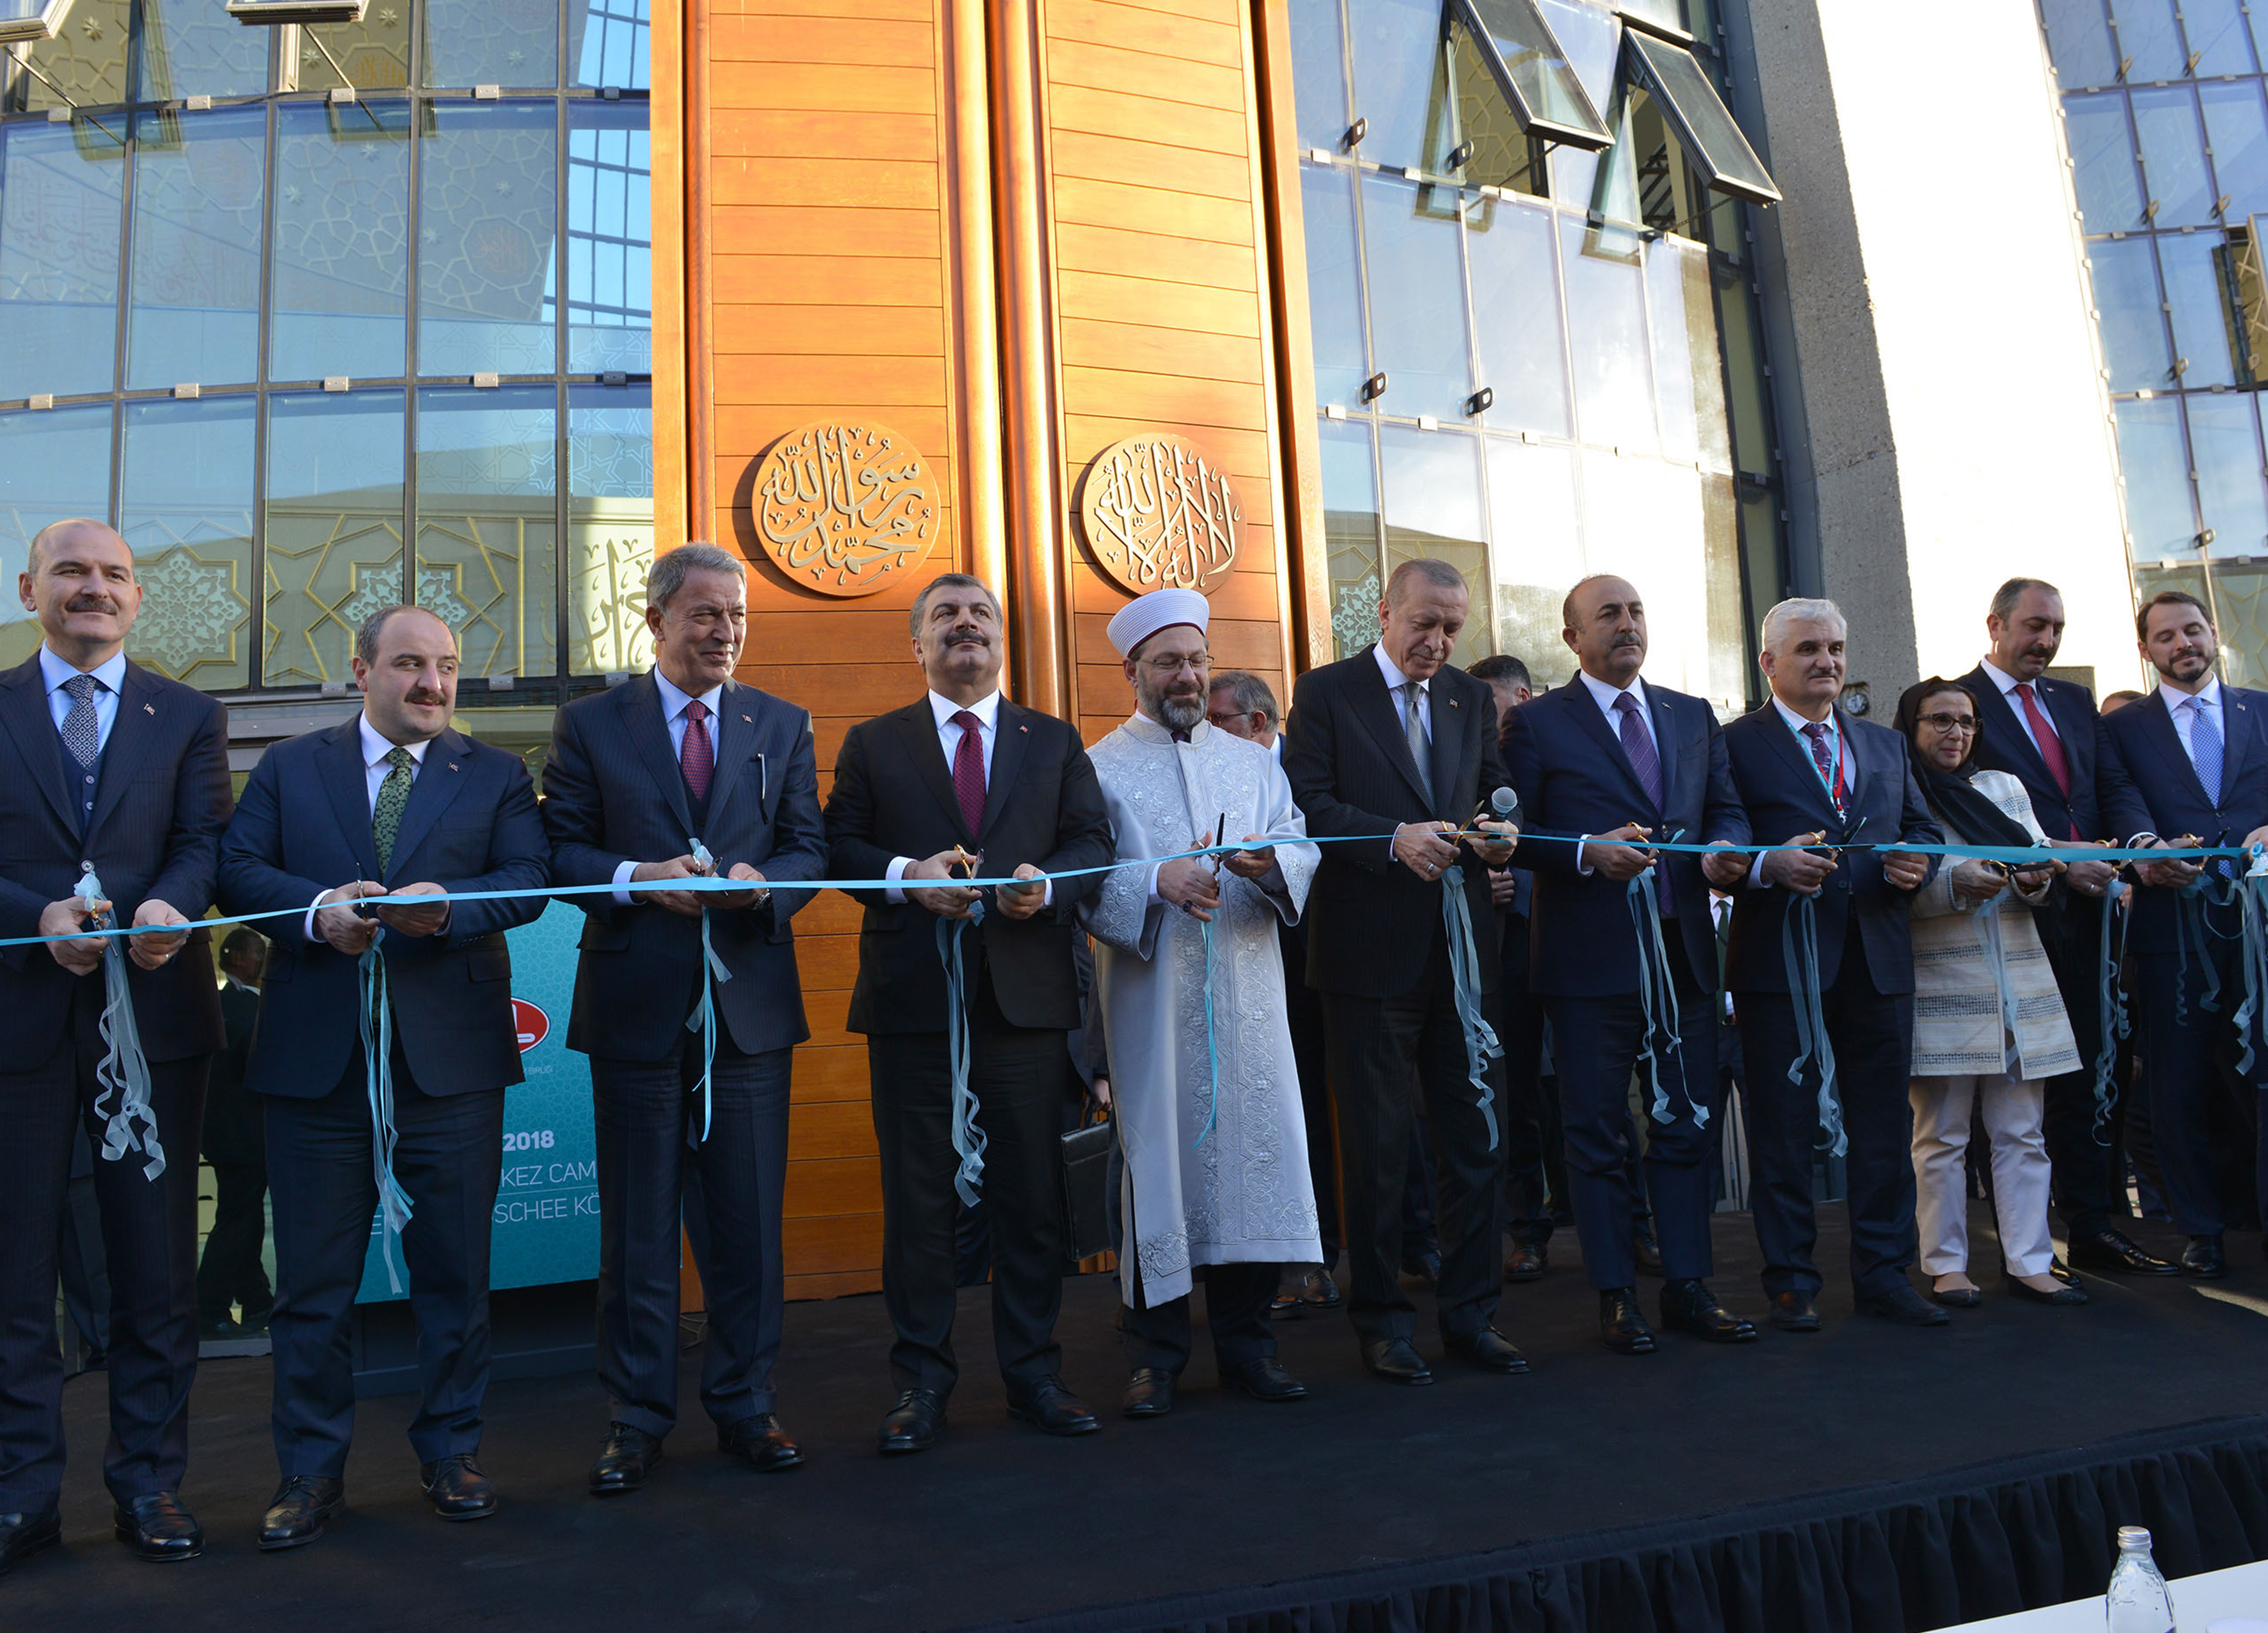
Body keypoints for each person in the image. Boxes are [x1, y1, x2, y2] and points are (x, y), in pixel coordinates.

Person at [219, 605, 551, 1547]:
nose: (432, 685)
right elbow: (238, 871)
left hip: (449, 1065)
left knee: (455, 1275)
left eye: (446, 667)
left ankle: (452, 1454)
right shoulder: (290, 767)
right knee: (315, 1287)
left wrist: (447, 907)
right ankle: (311, 1475)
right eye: (410, 665)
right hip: (316, 1067)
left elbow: (530, 877)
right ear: (358, 669)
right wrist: (319, 911)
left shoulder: (493, 774)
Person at [543, 543, 828, 1493]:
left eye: (737, 616)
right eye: (706, 614)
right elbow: (564, 850)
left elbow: (807, 851)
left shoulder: (780, 724)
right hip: (636, 1007)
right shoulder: (590, 724)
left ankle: (748, 1406)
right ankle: (636, 1417)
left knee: (747, 1228)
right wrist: (634, 882)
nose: (725, 632)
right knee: (636, 1230)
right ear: (656, 618)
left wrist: (763, 888)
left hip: (747, 1011)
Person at [824, 573, 1115, 1451]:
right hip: (915, 1006)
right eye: (945, 617)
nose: (964, 627)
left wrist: (1048, 887)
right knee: (919, 1204)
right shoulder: (875, 743)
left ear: (999, 640)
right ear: (917, 646)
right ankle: (919, 1385)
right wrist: (907, 878)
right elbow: (838, 847)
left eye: (979, 615)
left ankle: (1035, 1376)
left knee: (1031, 1202)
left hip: (1025, 1007)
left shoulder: (1054, 740)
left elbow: (1091, 843)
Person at [0, 519, 230, 1575]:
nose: (94, 589)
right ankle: (21, 1495)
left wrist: (173, 904)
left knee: (154, 1270)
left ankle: (150, 1481)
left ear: (138, 598)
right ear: (29, 587)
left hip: (155, 1015)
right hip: (21, 1024)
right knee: (15, 1273)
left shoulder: (186, 715)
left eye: (113, 575)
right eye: (72, 572)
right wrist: (33, 914)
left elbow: (203, 842)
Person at [1281, 558, 1523, 1386]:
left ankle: (1472, 1316)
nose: (1439, 641)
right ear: (1383, 611)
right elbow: (1306, 805)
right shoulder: (1325, 693)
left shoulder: (1465, 698)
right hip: (1366, 957)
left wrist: (1500, 832)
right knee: (1380, 1150)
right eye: (1424, 623)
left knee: (1475, 1139)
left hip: (1461, 957)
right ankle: (1383, 1323)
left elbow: (1494, 792)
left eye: (1453, 628)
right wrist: (1392, 838)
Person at [1501, 575, 1756, 1354]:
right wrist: (1583, 853)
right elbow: (1516, 832)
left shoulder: (1688, 715)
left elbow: (1726, 809)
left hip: (1681, 960)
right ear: (1572, 637)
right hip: (1587, 965)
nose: (1626, 625)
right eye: (1606, 615)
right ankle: (1615, 1295)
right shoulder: (1534, 724)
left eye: (1635, 611)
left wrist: (1722, 851)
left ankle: (1687, 1284)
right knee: (1594, 1133)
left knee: (1685, 1126)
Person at [1082, 591, 1322, 1417]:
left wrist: (1271, 866)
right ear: (1134, 673)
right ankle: (1155, 1356)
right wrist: (1156, 879)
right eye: (1168, 663)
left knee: (1253, 1161)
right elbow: (1083, 881)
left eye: (1196, 660)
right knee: (1159, 1168)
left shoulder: (1253, 761)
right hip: (1153, 1000)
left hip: (1249, 989)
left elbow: (1300, 841)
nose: (1187, 677)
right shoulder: (1098, 766)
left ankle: (1251, 1347)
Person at [1723, 597, 1946, 1332]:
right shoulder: (1731, 744)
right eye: (1808, 649)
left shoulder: (1883, 745)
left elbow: (1917, 827)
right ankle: (1790, 1281)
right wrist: (1765, 867)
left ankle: (1883, 1274)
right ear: (1768, 663)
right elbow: (1719, 844)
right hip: (1779, 962)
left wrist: (1916, 860)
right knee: (1783, 1129)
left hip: (1877, 957)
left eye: (1835, 649)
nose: (1826, 662)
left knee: (1881, 1126)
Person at [1958, 580, 2175, 1278]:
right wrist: (2056, 863)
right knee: (2015, 1086)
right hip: (2012, 914)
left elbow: (2107, 790)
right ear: (1994, 624)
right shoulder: (1957, 703)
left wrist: (2133, 849)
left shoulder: (2074, 702)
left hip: (2090, 913)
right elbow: (1958, 805)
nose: (2045, 642)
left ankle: (2088, 1226)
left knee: (2087, 1070)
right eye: (2032, 627)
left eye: (2055, 629)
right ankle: (2015, 1241)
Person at [1894, 679, 2086, 1309]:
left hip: (2020, 979)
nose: (1956, 734)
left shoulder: (2003, 786)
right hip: (1941, 980)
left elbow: (2036, 865)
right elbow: (1888, 885)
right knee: (1941, 1138)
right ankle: (1946, 1267)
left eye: (1967, 722)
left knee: (2022, 1133)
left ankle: (2031, 1262)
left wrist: (2033, 877)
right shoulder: (1897, 787)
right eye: (1940, 721)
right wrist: (1953, 885)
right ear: (1911, 725)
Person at [2097, 589, 2268, 1279]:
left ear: (2212, 633)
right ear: (2144, 649)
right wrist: (2143, 844)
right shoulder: (2121, 728)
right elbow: (2117, 796)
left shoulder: (2259, 708)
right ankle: (2200, 1228)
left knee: (2257, 1079)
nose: (2181, 644)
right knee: (2177, 1082)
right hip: (2168, 925)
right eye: (2164, 636)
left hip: (2258, 927)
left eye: (2191, 630)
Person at [1209, 668, 1341, 1317]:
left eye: (1219, 723)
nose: (1206, 737)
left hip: (1326, 965)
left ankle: (1318, 1258)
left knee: (1319, 1114)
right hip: (1247, 969)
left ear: (1257, 725)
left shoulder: (1308, 777)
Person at [197, 927, 273, 1339]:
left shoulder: (227, 1007)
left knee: (244, 1218)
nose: (264, 962)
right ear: (239, 960)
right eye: (259, 954)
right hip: (243, 1136)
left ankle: (258, 1299)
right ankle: (208, 1308)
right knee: (237, 1222)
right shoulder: (242, 1010)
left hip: (231, 1136)